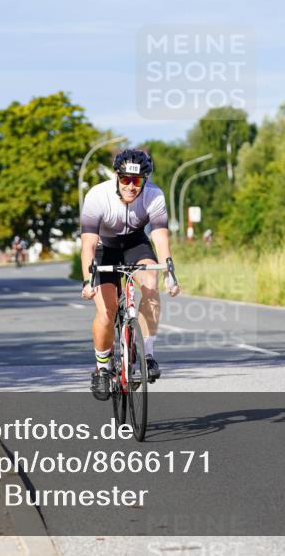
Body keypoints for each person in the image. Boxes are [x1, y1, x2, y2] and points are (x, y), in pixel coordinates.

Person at [79, 148, 179, 400]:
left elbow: (160, 237)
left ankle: (148, 355)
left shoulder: (154, 195)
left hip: (135, 243)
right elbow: (88, 244)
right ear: (116, 176)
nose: (131, 186)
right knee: (106, 310)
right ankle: (102, 367)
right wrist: (88, 281)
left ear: (145, 180)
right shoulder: (97, 196)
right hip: (104, 248)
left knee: (150, 285)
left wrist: (169, 272)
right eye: (125, 179)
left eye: (137, 181)